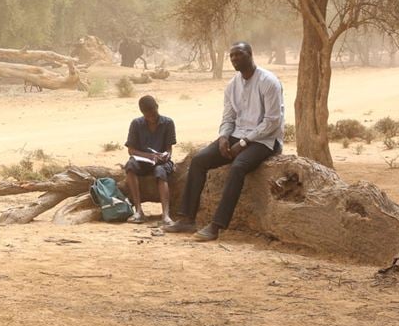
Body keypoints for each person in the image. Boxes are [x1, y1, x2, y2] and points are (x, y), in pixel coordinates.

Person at [166, 42, 284, 241]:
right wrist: (223, 138)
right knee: (199, 160)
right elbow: (228, 118)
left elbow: (273, 122)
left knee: (238, 167)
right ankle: (187, 219)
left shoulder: (268, 82)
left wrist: (244, 142)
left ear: (250, 54)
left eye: (239, 54)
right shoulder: (232, 85)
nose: (234, 59)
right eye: (232, 56)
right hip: (237, 134)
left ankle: (216, 226)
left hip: (265, 141)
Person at [122, 95, 176, 224]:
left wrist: (166, 155)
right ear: (142, 113)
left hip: (161, 162)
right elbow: (131, 150)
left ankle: (166, 215)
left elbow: (169, 149)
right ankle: (139, 211)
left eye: (154, 114)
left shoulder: (168, 123)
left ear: (157, 108)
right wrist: (149, 156)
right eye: (148, 116)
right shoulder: (136, 124)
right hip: (142, 161)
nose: (152, 118)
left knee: (160, 171)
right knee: (130, 166)